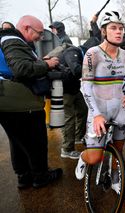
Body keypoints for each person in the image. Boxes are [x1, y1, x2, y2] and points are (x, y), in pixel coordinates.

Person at [75, 11, 125, 195]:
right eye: (113, 28)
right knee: (95, 157)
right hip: (98, 108)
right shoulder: (92, 54)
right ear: (103, 31)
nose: (118, 32)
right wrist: (96, 114)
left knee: (118, 149)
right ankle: (83, 158)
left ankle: (116, 179)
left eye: (120, 28)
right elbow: (85, 87)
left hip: (119, 108)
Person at [0, 15, 62, 188]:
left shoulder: (7, 40)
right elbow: (21, 69)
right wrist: (46, 65)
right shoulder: (13, 41)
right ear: (26, 28)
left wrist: (40, 61)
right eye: (39, 33)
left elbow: (15, 64)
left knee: (18, 143)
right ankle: (41, 176)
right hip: (21, 103)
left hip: (8, 103)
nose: (40, 37)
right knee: (36, 142)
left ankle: (24, 176)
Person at [59, 37, 99, 159]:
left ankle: (77, 137)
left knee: (83, 110)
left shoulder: (82, 54)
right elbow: (76, 70)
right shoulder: (73, 52)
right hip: (64, 90)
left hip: (73, 89)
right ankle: (67, 149)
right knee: (69, 118)